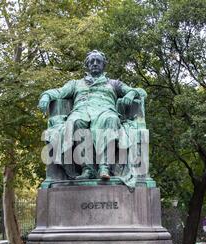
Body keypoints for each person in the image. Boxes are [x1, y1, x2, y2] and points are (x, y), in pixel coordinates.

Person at [38, 50, 143, 180]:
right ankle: (87, 169)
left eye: (98, 61)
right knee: (75, 122)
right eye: (91, 61)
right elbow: (59, 92)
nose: (94, 63)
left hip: (105, 110)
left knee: (111, 119)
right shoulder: (75, 83)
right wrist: (46, 96)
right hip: (81, 111)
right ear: (87, 65)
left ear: (103, 65)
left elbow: (139, 91)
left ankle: (104, 167)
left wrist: (132, 93)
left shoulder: (114, 83)